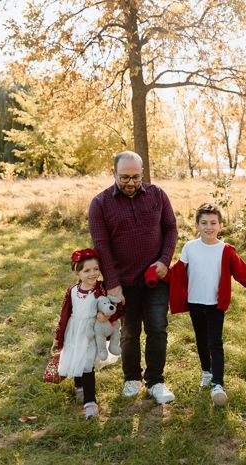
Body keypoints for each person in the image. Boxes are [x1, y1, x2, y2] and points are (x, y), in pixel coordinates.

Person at [88, 151, 178, 404]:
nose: (131, 183)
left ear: (142, 174)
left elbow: (171, 229)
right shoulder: (100, 204)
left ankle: (156, 381)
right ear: (114, 173)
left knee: (157, 328)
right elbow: (101, 246)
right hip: (123, 283)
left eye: (136, 177)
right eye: (125, 177)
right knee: (129, 332)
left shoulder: (158, 195)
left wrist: (164, 260)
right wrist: (113, 284)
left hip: (155, 278)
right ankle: (131, 379)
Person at [161, 203, 246, 406]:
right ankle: (206, 372)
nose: (208, 227)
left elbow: (242, 272)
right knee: (201, 339)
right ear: (196, 226)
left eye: (213, 223)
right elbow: (177, 271)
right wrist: (156, 274)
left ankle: (218, 384)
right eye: (204, 223)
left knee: (215, 342)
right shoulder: (190, 247)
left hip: (215, 304)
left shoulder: (225, 250)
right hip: (195, 302)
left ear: (220, 225)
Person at [53, 248, 122, 420]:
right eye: (87, 270)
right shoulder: (72, 291)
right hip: (75, 330)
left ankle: (90, 403)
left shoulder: (101, 289)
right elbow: (65, 314)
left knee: (87, 364)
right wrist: (58, 336)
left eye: (96, 269)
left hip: (91, 332)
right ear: (77, 273)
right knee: (77, 358)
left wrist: (107, 315)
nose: (93, 274)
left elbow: (115, 307)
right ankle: (79, 388)